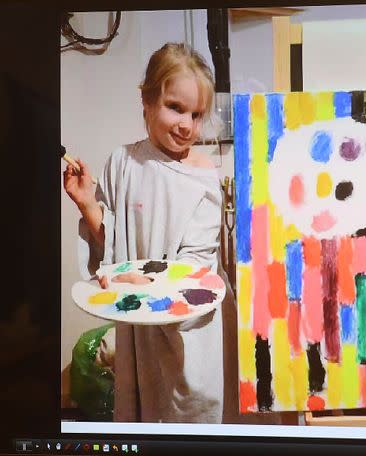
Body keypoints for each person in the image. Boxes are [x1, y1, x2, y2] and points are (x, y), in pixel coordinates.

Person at [63, 42, 237, 423]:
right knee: (146, 413)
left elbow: (197, 265)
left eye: (196, 114)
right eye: (175, 107)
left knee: (192, 413)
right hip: (139, 329)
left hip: (189, 328)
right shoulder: (123, 163)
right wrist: (89, 205)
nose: (186, 124)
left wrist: (150, 284)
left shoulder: (204, 176)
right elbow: (110, 250)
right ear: (146, 100)